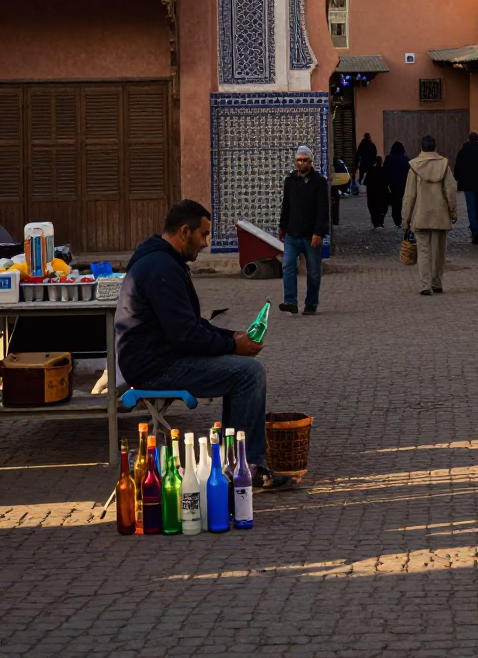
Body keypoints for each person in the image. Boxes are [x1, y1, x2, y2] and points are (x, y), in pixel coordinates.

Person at [115, 200, 293, 490]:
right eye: (203, 235)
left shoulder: (163, 259)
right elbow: (185, 335)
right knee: (249, 373)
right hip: (156, 367)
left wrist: (232, 337)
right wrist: (233, 347)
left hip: (158, 357)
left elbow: (190, 323)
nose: (205, 243)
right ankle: (246, 467)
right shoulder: (161, 267)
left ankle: (234, 463)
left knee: (242, 369)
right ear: (185, 232)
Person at [402, 135, 458, 296]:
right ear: (435, 147)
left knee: (423, 251)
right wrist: (453, 211)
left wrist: (405, 217)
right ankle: (437, 281)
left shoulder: (414, 166)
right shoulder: (444, 165)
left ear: (421, 147)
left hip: (421, 215)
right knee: (439, 251)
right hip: (440, 215)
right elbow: (451, 190)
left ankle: (425, 284)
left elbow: (409, 195)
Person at [278, 146, 329, 315]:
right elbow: (286, 206)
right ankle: (290, 301)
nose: (301, 163)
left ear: (310, 162)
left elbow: (323, 209)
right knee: (288, 267)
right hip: (293, 234)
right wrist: (282, 227)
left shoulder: (319, 182)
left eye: (304, 160)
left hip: (311, 236)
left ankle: (311, 304)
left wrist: (319, 233)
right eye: (299, 160)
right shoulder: (290, 181)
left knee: (313, 273)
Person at [382, 141, 410, 227]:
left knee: (395, 202)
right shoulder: (406, 159)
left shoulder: (388, 158)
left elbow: (385, 172)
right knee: (403, 202)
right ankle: (403, 218)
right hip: (404, 183)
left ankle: (397, 220)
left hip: (392, 184)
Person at [365, 155, 389, 228]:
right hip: (382, 192)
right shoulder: (384, 170)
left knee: (373, 208)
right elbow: (387, 181)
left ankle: (375, 222)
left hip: (372, 193)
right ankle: (380, 221)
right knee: (382, 207)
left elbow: (366, 181)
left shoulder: (371, 170)